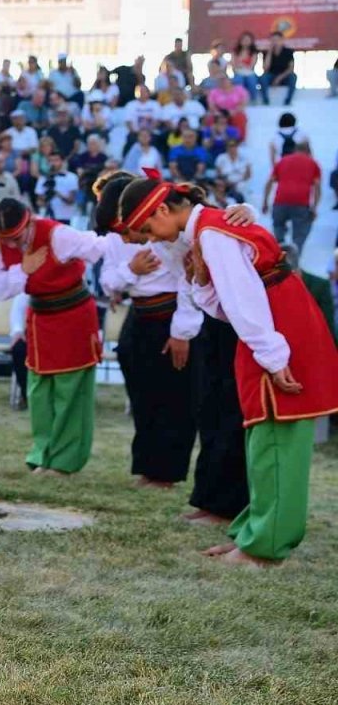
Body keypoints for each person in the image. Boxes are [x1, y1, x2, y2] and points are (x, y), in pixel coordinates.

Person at [118, 177, 338, 566]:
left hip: (275, 328)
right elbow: (223, 303)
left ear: (164, 210)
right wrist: (200, 280)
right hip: (269, 328)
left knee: (276, 437)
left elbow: (243, 298)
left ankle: (265, 547)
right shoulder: (207, 233)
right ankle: (253, 533)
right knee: (262, 437)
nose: (153, 239)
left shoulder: (214, 233)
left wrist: (272, 355)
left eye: (150, 228)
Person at [0, 198, 110, 475]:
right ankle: (42, 454)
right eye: (7, 239)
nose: (12, 244)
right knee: (39, 391)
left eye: (17, 237)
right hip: (39, 319)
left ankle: (64, 462)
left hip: (73, 315)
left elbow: (100, 247)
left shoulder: (56, 234)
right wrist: (21, 271)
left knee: (71, 389)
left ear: (28, 221)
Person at [95, 172, 200, 487]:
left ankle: (168, 472)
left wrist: (182, 332)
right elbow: (107, 281)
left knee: (175, 397)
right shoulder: (116, 238)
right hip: (138, 314)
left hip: (172, 315)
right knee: (142, 396)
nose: (129, 234)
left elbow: (188, 281)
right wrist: (131, 270)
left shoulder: (165, 230)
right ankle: (146, 466)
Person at [262, 140, 321, 252]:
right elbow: (317, 187)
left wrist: (265, 201)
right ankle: (295, 258)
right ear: (308, 151)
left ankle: (280, 253)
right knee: (300, 234)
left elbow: (270, 182)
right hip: (301, 203)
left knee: (278, 227)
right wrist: (314, 207)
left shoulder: (283, 160)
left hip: (280, 201)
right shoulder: (313, 163)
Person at [259, 31, 296, 106]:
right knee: (263, 77)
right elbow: (265, 69)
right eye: (273, 40)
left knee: (293, 76)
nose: (275, 42)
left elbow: (291, 68)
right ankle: (265, 100)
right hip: (271, 76)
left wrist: (279, 78)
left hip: (284, 76)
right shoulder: (266, 52)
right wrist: (269, 52)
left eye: (277, 40)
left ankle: (288, 100)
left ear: (282, 40)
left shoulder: (288, 52)